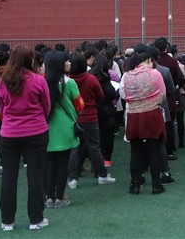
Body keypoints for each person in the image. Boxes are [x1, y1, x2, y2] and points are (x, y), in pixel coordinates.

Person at [0, 46, 51, 231]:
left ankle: (7, 221)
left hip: (9, 133)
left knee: (9, 176)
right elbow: (46, 106)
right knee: (35, 176)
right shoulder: (38, 80)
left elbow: (1, 107)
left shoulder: (2, 82)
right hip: (36, 132)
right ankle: (36, 219)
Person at [120, 49, 167, 195]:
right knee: (153, 150)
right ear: (148, 61)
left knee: (135, 152)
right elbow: (163, 94)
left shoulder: (126, 75)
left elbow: (123, 94)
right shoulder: (155, 74)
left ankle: (134, 185)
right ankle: (156, 185)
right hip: (152, 113)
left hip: (133, 114)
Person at [67, 53, 114, 189]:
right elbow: (100, 96)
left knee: (74, 148)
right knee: (94, 147)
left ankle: (73, 178)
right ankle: (102, 175)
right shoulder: (90, 79)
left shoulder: (68, 81)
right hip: (90, 117)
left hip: (74, 117)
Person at [43, 50, 81, 209]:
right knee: (63, 164)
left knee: (50, 164)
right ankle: (59, 197)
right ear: (60, 64)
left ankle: (49, 197)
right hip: (66, 127)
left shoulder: (42, 82)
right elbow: (79, 105)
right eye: (67, 60)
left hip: (46, 128)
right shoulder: (70, 83)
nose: (69, 63)